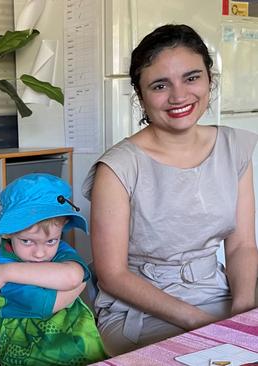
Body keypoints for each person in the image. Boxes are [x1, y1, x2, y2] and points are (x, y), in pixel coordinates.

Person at [82, 24, 258, 355]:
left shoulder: (235, 148)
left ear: (209, 79)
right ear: (140, 95)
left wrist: (242, 312)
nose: (179, 96)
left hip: (218, 294)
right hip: (140, 312)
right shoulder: (118, 168)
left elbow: (242, 246)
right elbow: (112, 276)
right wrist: (203, 325)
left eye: (192, 78)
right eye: (160, 85)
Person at [0, 173, 106, 365]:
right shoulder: (2, 263)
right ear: (8, 233)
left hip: (83, 349)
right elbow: (48, 304)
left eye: (51, 241)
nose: (40, 253)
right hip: (30, 355)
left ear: (62, 227)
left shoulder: (5, 271)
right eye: (27, 241)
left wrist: (9, 272)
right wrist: (79, 284)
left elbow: (73, 276)